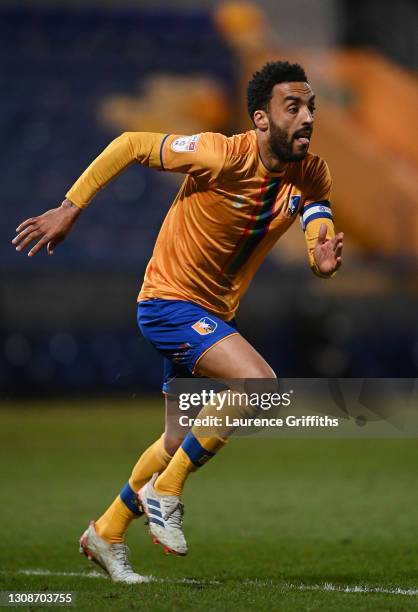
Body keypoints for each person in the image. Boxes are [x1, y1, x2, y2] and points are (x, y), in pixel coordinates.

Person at [12, 61, 344, 583]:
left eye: (311, 108)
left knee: (175, 440)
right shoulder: (219, 154)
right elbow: (127, 144)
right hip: (168, 303)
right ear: (261, 119)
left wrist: (318, 255)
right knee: (260, 386)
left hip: (210, 314)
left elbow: (316, 214)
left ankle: (107, 529)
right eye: (293, 107)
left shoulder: (311, 172)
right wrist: (70, 208)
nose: (307, 118)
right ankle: (166, 491)